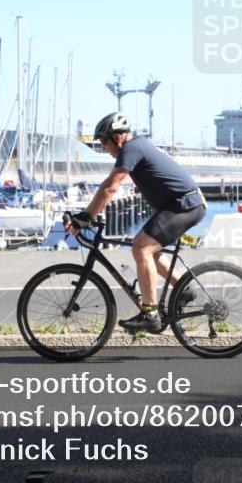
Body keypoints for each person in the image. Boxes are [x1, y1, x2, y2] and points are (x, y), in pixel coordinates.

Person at [65, 112, 206, 332]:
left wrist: (86, 217)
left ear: (117, 138)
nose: (104, 148)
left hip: (184, 205)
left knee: (141, 248)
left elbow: (111, 186)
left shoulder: (131, 148)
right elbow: (108, 185)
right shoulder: (137, 147)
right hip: (182, 204)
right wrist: (88, 213)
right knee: (149, 250)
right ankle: (183, 289)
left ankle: (150, 314)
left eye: (104, 142)